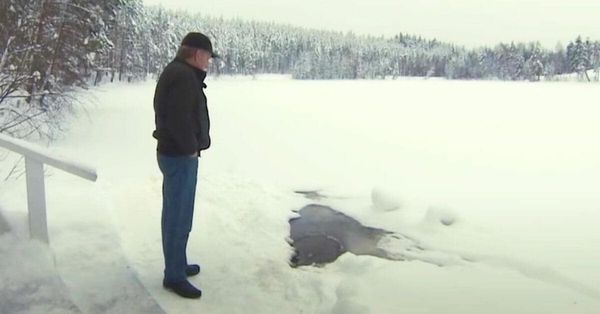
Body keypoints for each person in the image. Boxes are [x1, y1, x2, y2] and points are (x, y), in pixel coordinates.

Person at [152, 32, 218, 299]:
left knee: (179, 214)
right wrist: (191, 148)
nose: (209, 62)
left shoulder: (181, 73)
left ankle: (177, 263)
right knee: (178, 217)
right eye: (208, 56)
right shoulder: (182, 76)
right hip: (179, 156)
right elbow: (177, 118)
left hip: (178, 154)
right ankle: (174, 276)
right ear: (196, 53)